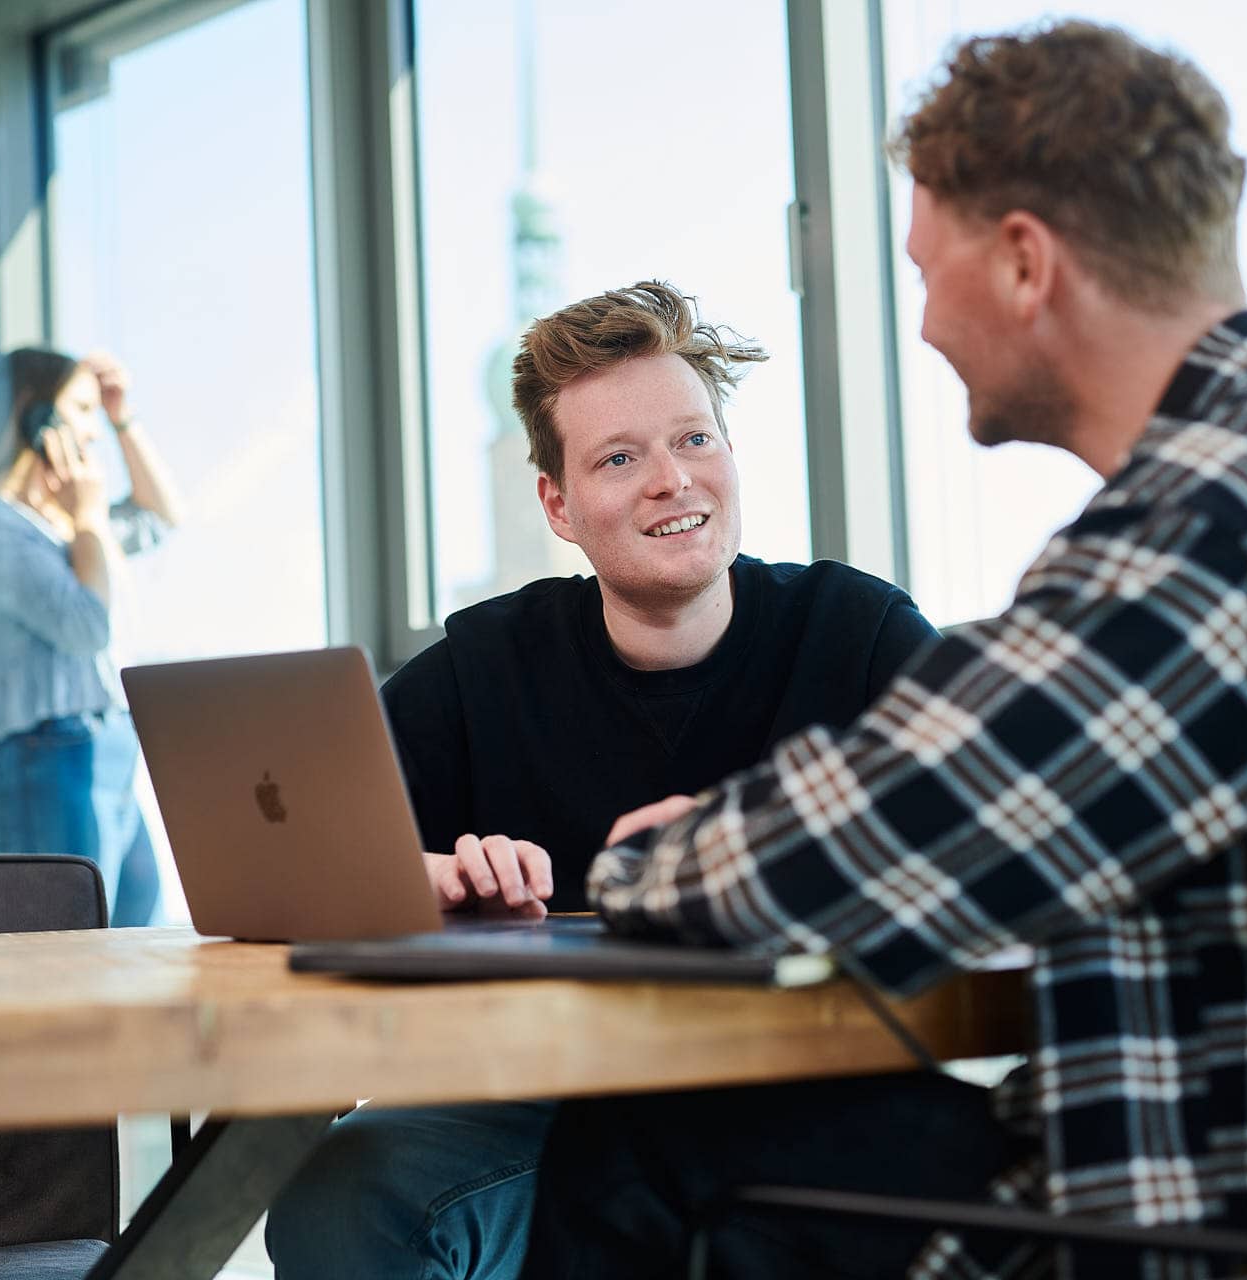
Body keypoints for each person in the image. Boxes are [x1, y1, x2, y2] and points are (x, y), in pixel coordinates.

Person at [519, 20, 1247, 1280]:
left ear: (1026, 263)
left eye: (929, 268)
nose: (921, 322)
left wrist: (649, 861)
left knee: (645, 1143)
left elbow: (887, 831)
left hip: (1236, 1226)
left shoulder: (1201, 525)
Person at [263, 280, 942, 1279]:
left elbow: (973, 855)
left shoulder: (860, 634)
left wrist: (755, 840)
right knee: (343, 1199)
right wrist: (425, 875)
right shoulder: (486, 663)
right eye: (620, 458)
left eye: (695, 439)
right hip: (547, 1097)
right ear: (559, 504)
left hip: (800, 1090)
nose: (673, 479)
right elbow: (297, 854)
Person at [0, 348, 181, 927]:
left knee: (135, 933)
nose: (93, 433)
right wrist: (91, 520)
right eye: (82, 410)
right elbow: (85, 627)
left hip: (104, 750)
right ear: (34, 415)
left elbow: (159, 516)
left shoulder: (63, 522)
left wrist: (125, 419)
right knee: (76, 953)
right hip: (44, 757)